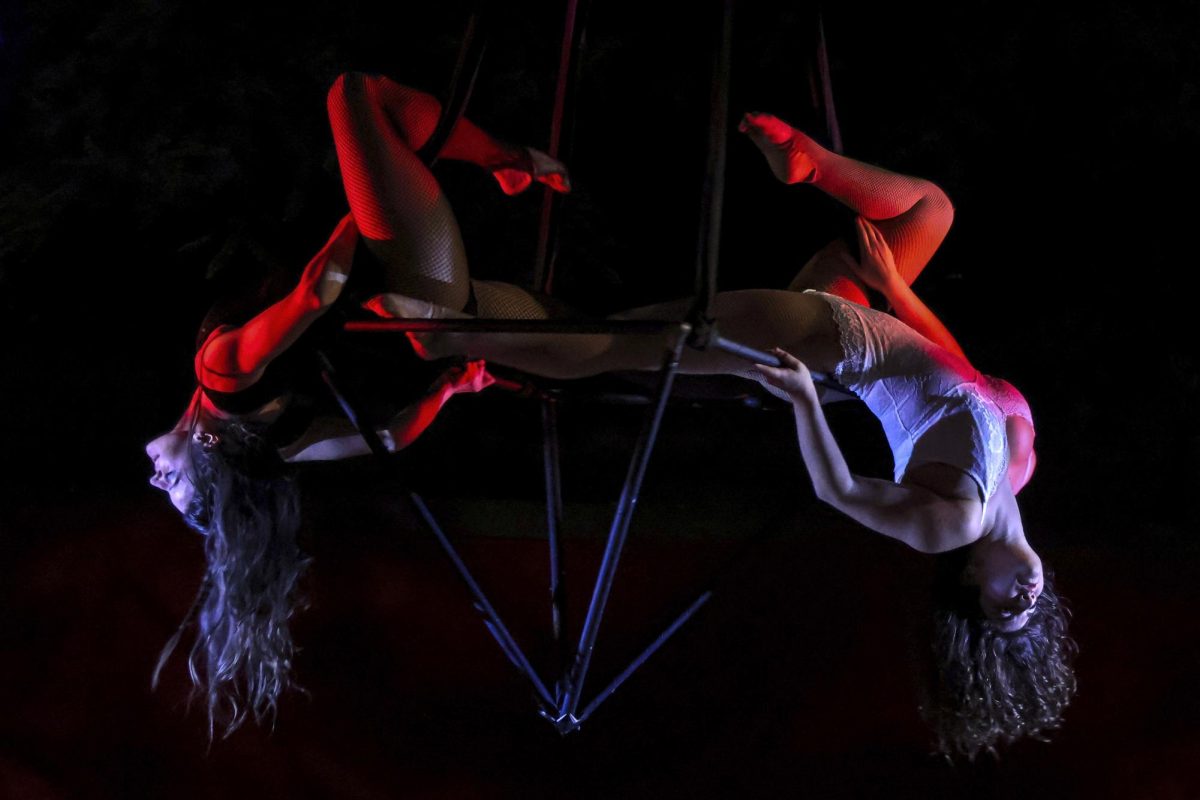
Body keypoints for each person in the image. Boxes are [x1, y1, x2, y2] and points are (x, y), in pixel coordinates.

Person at [407, 112, 1076, 759]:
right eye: (1028, 608)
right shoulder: (1017, 472)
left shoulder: (954, 524)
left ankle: (451, 331)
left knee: (619, 342)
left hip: (827, 346)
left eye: (1002, 608)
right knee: (930, 212)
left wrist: (804, 402)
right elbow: (963, 375)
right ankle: (808, 162)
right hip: (859, 318)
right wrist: (895, 285)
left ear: (971, 580)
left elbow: (839, 490)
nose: (1023, 596)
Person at [145, 71, 571, 737]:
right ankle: (505, 159)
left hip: (435, 310)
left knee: (588, 337)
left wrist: (449, 389)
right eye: (167, 480)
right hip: (411, 271)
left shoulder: (281, 443)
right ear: (206, 448)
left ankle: (507, 162)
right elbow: (316, 293)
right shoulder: (221, 374)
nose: (152, 472)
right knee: (354, 96)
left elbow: (391, 437)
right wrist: (363, 205)